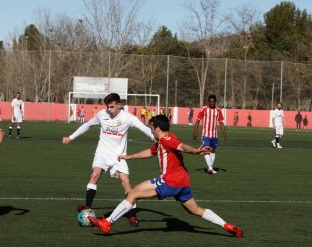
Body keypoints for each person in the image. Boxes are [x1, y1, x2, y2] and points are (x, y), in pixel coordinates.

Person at [88, 115, 243, 237]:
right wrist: (129, 157)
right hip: (182, 182)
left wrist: (195, 151)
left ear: (157, 129)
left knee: (133, 193)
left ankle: (107, 223)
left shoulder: (168, 139)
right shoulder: (162, 141)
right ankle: (228, 226)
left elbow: (181, 146)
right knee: (195, 210)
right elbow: (151, 152)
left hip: (171, 181)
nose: (150, 131)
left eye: (151, 128)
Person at [62, 93, 155, 227]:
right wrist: (71, 137)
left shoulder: (128, 118)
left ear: (119, 105)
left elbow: (145, 129)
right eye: (107, 107)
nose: (109, 110)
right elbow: (87, 125)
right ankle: (87, 208)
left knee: (126, 182)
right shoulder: (102, 114)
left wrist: (156, 138)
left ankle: (132, 215)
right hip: (102, 152)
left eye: (112, 107)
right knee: (95, 175)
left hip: (118, 155)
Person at [193, 95, 226, 174]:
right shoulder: (204, 109)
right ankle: (210, 168)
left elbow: (221, 122)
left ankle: (210, 167)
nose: (212, 103)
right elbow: (197, 120)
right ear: (208, 102)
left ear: (215, 102)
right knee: (207, 150)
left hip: (214, 134)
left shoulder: (218, 110)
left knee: (213, 151)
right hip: (206, 134)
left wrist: (224, 133)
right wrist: (195, 132)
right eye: (210, 101)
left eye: (213, 101)